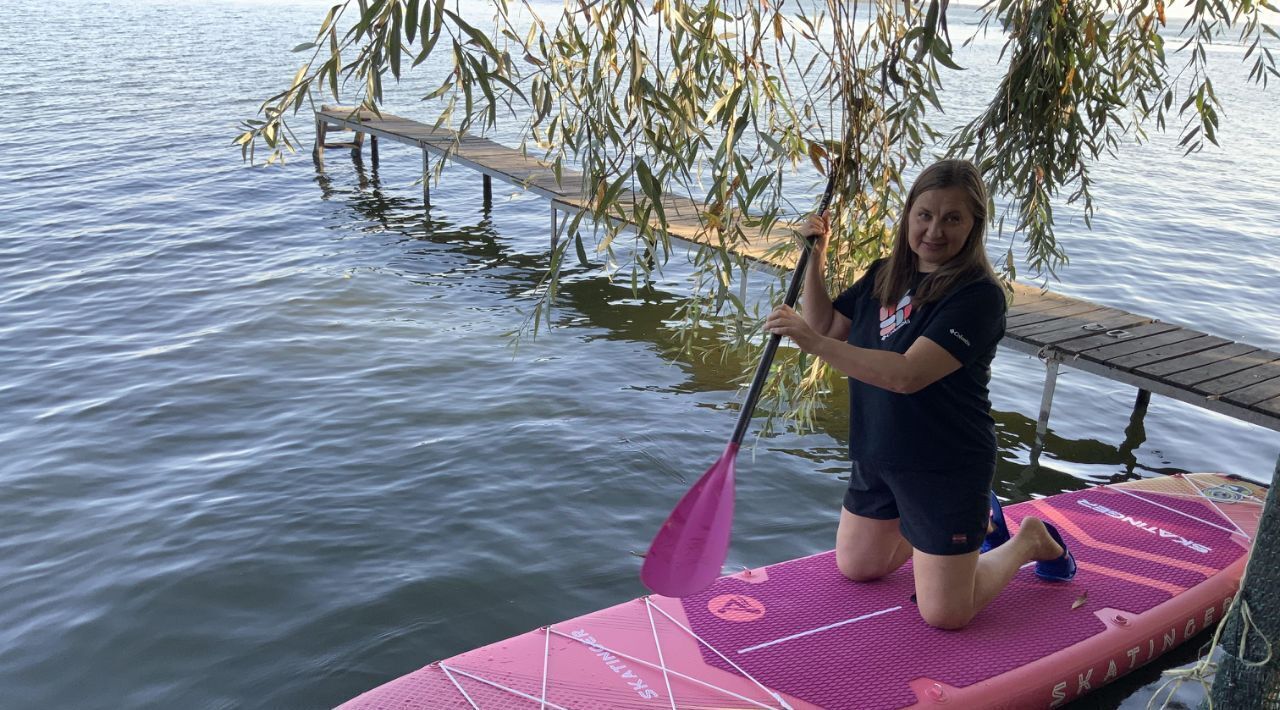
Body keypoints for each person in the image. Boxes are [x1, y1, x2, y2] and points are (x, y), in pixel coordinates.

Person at [764, 159, 1075, 630]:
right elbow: (829, 324)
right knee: (857, 566)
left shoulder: (978, 297)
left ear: (973, 226)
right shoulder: (885, 273)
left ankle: (1027, 539)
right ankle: (971, 529)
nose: (934, 230)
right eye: (924, 214)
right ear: (908, 215)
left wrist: (812, 342)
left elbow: (906, 375)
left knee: (946, 614)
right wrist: (815, 258)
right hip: (879, 451)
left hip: (943, 463)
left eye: (953, 218)